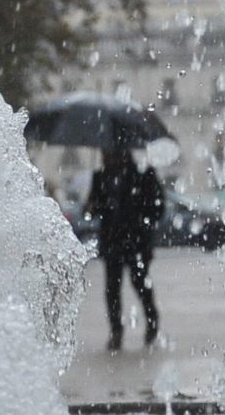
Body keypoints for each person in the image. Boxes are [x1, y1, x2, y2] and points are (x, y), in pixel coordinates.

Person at [86, 148, 165, 351]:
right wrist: (92, 206)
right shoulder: (100, 176)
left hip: (137, 241)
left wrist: (141, 221)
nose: (105, 154)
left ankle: (152, 322)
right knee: (112, 288)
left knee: (140, 282)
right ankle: (116, 331)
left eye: (108, 151)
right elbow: (93, 208)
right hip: (112, 241)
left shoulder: (142, 174)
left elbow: (158, 206)